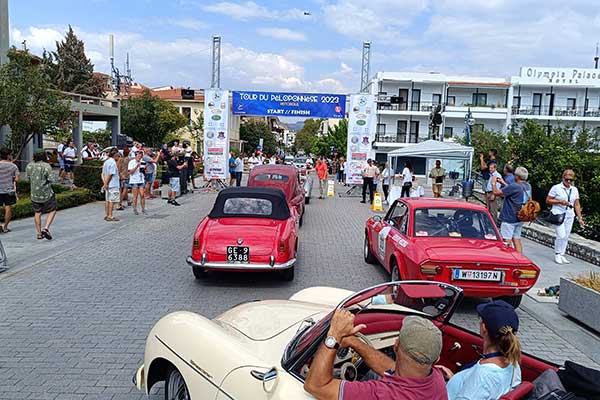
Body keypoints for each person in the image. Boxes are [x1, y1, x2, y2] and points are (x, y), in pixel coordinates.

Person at [304, 310, 447, 400]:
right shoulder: (436, 378)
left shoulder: (381, 394)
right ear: (436, 359)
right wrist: (354, 342)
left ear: (395, 345)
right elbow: (394, 368)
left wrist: (334, 335)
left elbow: (316, 386)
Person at [437, 300, 522, 400]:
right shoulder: (514, 363)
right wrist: (455, 380)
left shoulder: (483, 375)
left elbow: (478, 387)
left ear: (483, 327)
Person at [546, 169, 585, 264]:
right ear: (563, 178)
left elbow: (577, 204)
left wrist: (580, 218)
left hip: (569, 215)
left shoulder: (574, 189)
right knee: (561, 235)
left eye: (570, 180)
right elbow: (548, 200)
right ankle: (557, 253)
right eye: (566, 179)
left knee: (566, 236)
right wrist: (560, 202)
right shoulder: (556, 188)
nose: (568, 181)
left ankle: (562, 254)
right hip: (558, 214)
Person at [492, 166, 531, 253]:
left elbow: (496, 193)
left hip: (509, 217)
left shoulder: (514, 186)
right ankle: (519, 259)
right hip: (520, 216)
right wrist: (504, 183)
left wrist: (493, 183)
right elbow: (513, 191)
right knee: (517, 239)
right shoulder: (528, 186)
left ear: (517, 176)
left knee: (507, 241)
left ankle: (508, 258)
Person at [26, 152, 57, 240]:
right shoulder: (46, 166)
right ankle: (46, 228)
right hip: (46, 193)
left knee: (37, 212)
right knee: (52, 209)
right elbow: (52, 179)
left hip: (34, 193)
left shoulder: (29, 165)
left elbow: (27, 177)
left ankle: (39, 234)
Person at [0, 148, 19, 233]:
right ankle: (5, 227)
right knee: (8, 208)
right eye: (11, 154)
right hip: (8, 190)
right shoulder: (13, 166)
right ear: (8, 156)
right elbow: (17, 179)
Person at [101, 148, 121, 222]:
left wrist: (104, 183)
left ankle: (107, 214)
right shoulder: (113, 163)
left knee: (107, 200)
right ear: (115, 155)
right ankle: (110, 215)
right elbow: (111, 174)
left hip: (108, 184)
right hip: (113, 184)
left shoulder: (106, 162)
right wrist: (106, 184)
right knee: (112, 200)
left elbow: (102, 174)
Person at [128, 151, 146, 215]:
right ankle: (134, 208)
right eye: (138, 156)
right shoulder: (131, 162)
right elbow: (130, 172)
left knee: (142, 195)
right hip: (134, 181)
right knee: (135, 196)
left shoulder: (143, 162)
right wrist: (136, 166)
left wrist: (144, 169)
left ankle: (143, 208)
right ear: (135, 156)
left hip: (141, 180)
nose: (139, 157)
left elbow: (143, 171)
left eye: (140, 156)